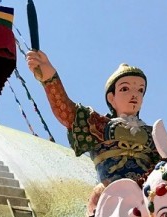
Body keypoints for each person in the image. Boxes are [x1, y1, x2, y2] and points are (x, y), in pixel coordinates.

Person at [26, 51, 159, 208]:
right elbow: (67, 112)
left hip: (147, 196)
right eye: (125, 89)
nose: (134, 95)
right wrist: (50, 78)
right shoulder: (99, 125)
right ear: (111, 98)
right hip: (108, 194)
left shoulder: (155, 134)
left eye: (140, 90)